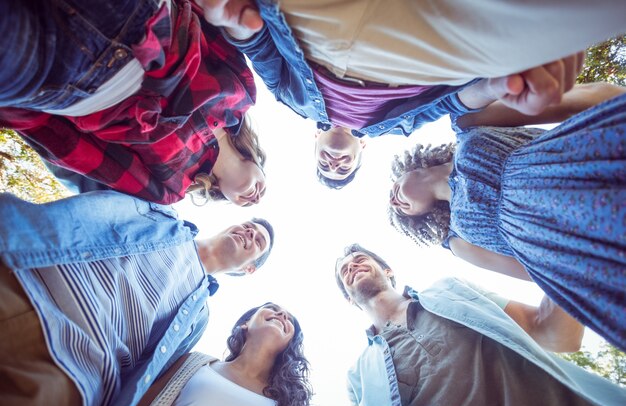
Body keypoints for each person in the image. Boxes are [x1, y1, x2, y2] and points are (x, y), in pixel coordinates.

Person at [195, 0, 626, 188]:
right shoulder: (398, 127)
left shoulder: (296, 101)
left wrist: (228, 20)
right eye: (342, 170)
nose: (335, 161)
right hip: (441, 52)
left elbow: (260, 48)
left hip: (321, 33)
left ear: (315, 140)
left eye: (325, 165)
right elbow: (454, 102)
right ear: (362, 154)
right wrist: (499, 86)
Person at [388, 83, 626, 350]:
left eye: (391, 188)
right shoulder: (459, 241)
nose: (392, 201)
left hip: (602, 155)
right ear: (419, 218)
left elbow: (586, 98)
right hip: (601, 244)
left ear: (408, 166)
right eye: (398, 212)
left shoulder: (468, 123)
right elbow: (541, 273)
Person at [0, 190, 275, 406]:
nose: (249, 233)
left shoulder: (198, 318)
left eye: (258, 240)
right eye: (248, 226)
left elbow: (146, 371)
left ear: (249, 269)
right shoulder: (162, 217)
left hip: (71, 367)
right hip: (25, 277)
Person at [0, 0, 265, 206]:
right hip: (142, 19)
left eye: (248, 205)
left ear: (223, 199)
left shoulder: (171, 190)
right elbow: (209, 19)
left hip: (68, 85)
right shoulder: (244, 97)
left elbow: (83, 153)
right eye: (264, 192)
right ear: (260, 162)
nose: (255, 197)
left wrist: (20, 111)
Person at [334, 243, 626, 406]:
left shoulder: (450, 288)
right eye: (344, 270)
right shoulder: (357, 378)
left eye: (359, 259)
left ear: (388, 271)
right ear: (348, 299)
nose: (352, 266)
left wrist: (560, 248)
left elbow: (555, 333)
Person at [129, 302, 318, 406]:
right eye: (272, 309)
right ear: (245, 323)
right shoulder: (194, 363)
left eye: (290, 321)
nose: (282, 315)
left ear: (289, 344)